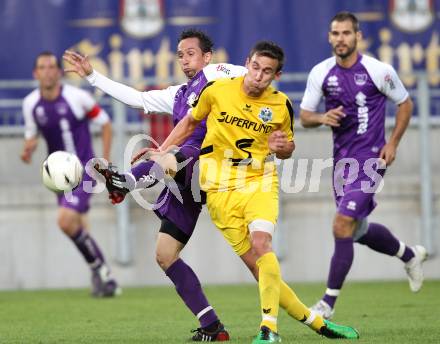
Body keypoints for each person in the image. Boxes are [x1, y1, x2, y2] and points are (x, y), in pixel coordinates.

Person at [152, 41, 359, 343]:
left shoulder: (280, 105)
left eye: (267, 72)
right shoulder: (218, 91)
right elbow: (188, 123)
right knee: (258, 268)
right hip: (219, 189)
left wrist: (283, 148)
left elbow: (288, 146)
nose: (259, 76)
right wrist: (160, 151)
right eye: (256, 68)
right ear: (247, 63)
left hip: (258, 180)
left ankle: (269, 329)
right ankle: (319, 324)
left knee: (262, 245)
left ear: (276, 75)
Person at [64, 29, 248, 341]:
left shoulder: (220, 79)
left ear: (207, 57)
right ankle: (212, 327)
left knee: (167, 155)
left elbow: (247, 73)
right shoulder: (178, 94)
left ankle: (126, 181)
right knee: (165, 254)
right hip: (183, 178)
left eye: (191, 53)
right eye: (180, 54)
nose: (185, 60)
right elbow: (136, 98)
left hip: (211, 166)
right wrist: (93, 76)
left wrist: (250, 68)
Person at [299, 11, 427, 320]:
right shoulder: (321, 73)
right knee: (355, 230)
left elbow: (405, 102)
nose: (340, 38)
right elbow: (304, 115)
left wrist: (392, 142)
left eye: (346, 33)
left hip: (371, 159)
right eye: (335, 33)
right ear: (329, 37)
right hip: (342, 162)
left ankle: (326, 305)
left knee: (341, 225)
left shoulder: (378, 70)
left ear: (358, 37)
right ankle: (409, 255)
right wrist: (321, 118)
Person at [21, 51, 119, 297]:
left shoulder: (77, 98)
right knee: (79, 226)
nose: (47, 71)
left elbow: (105, 123)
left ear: (58, 72)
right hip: (59, 175)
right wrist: (28, 148)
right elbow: (31, 134)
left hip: (84, 168)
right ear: (36, 73)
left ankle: (103, 275)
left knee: (65, 220)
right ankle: (104, 277)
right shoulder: (30, 104)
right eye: (42, 67)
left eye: (52, 67)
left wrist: (104, 160)